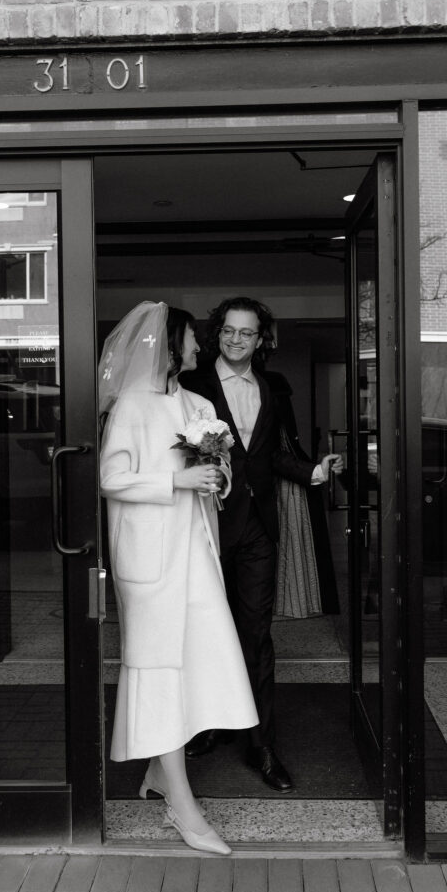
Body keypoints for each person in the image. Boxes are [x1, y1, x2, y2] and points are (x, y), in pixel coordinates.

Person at [99, 301, 258, 855]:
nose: (198, 348)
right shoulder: (131, 407)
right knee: (161, 667)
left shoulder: (196, 403)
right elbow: (110, 478)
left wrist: (217, 479)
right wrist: (178, 480)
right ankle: (184, 809)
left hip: (196, 553)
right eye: (191, 341)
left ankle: (161, 773)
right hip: (149, 560)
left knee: (197, 659)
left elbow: (217, 478)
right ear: (169, 346)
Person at [180, 296, 342, 791]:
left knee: (256, 638)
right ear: (217, 334)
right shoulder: (190, 385)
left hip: (257, 531)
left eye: (246, 333)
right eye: (228, 330)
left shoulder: (271, 389)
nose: (235, 339)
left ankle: (262, 746)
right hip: (203, 527)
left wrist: (315, 471)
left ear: (260, 339)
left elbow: (269, 455)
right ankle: (206, 725)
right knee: (203, 633)